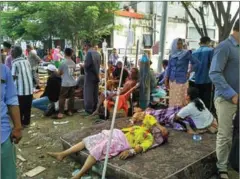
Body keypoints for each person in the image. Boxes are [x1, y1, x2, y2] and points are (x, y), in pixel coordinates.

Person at [47, 114, 168, 179]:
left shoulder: (150, 138)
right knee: (89, 140)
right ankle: (62, 154)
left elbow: (141, 147)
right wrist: (159, 125)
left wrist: (131, 151)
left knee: (99, 149)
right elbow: (147, 115)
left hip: (122, 143)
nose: (145, 119)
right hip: (117, 133)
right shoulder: (137, 126)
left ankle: (79, 175)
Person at [209, 19, 239, 179]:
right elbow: (214, 73)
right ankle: (222, 168)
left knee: (235, 134)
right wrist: (232, 94)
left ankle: (233, 162)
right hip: (226, 99)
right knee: (225, 134)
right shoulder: (224, 47)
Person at [1, 64, 22, 179]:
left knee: (7, 174)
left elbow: (11, 98)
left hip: (2, 134)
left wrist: (18, 127)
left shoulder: (4, 70)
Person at [165, 38, 200, 107]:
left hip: (182, 80)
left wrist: (189, 72)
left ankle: (181, 115)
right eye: (178, 44)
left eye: (181, 43)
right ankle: (172, 115)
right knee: (173, 99)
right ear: (174, 44)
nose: (180, 45)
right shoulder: (171, 55)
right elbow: (169, 68)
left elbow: (197, 63)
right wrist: (166, 79)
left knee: (181, 100)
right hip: (172, 81)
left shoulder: (186, 53)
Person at [11, 46, 34, 127]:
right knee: (28, 107)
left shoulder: (14, 63)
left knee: (20, 108)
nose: (11, 53)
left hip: (20, 90)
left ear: (16, 53)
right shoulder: (26, 61)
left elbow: (12, 76)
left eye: (12, 51)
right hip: (30, 89)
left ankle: (20, 124)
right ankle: (26, 123)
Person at [192, 36, 214, 110]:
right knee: (207, 100)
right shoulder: (210, 50)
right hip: (207, 79)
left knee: (198, 99)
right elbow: (212, 64)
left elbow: (193, 67)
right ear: (207, 42)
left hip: (197, 79)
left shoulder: (194, 52)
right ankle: (207, 115)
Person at [56, 48, 76, 119]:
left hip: (65, 82)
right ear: (71, 54)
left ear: (64, 53)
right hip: (73, 82)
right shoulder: (73, 63)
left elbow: (58, 73)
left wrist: (61, 73)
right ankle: (70, 111)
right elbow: (72, 73)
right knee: (71, 98)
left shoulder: (62, 62)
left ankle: (61, 113)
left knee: (62, 97)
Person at [84, 41, 101, 115]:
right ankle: (95, 107)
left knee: (89, 93)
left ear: (87, 46)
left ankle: (89, 109)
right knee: (95, 92)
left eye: (84, 47)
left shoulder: (89, 53)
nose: (84, 48)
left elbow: (87, 65)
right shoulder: (97, 53)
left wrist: (83, 66)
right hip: (96, 74)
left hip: (90, 75)